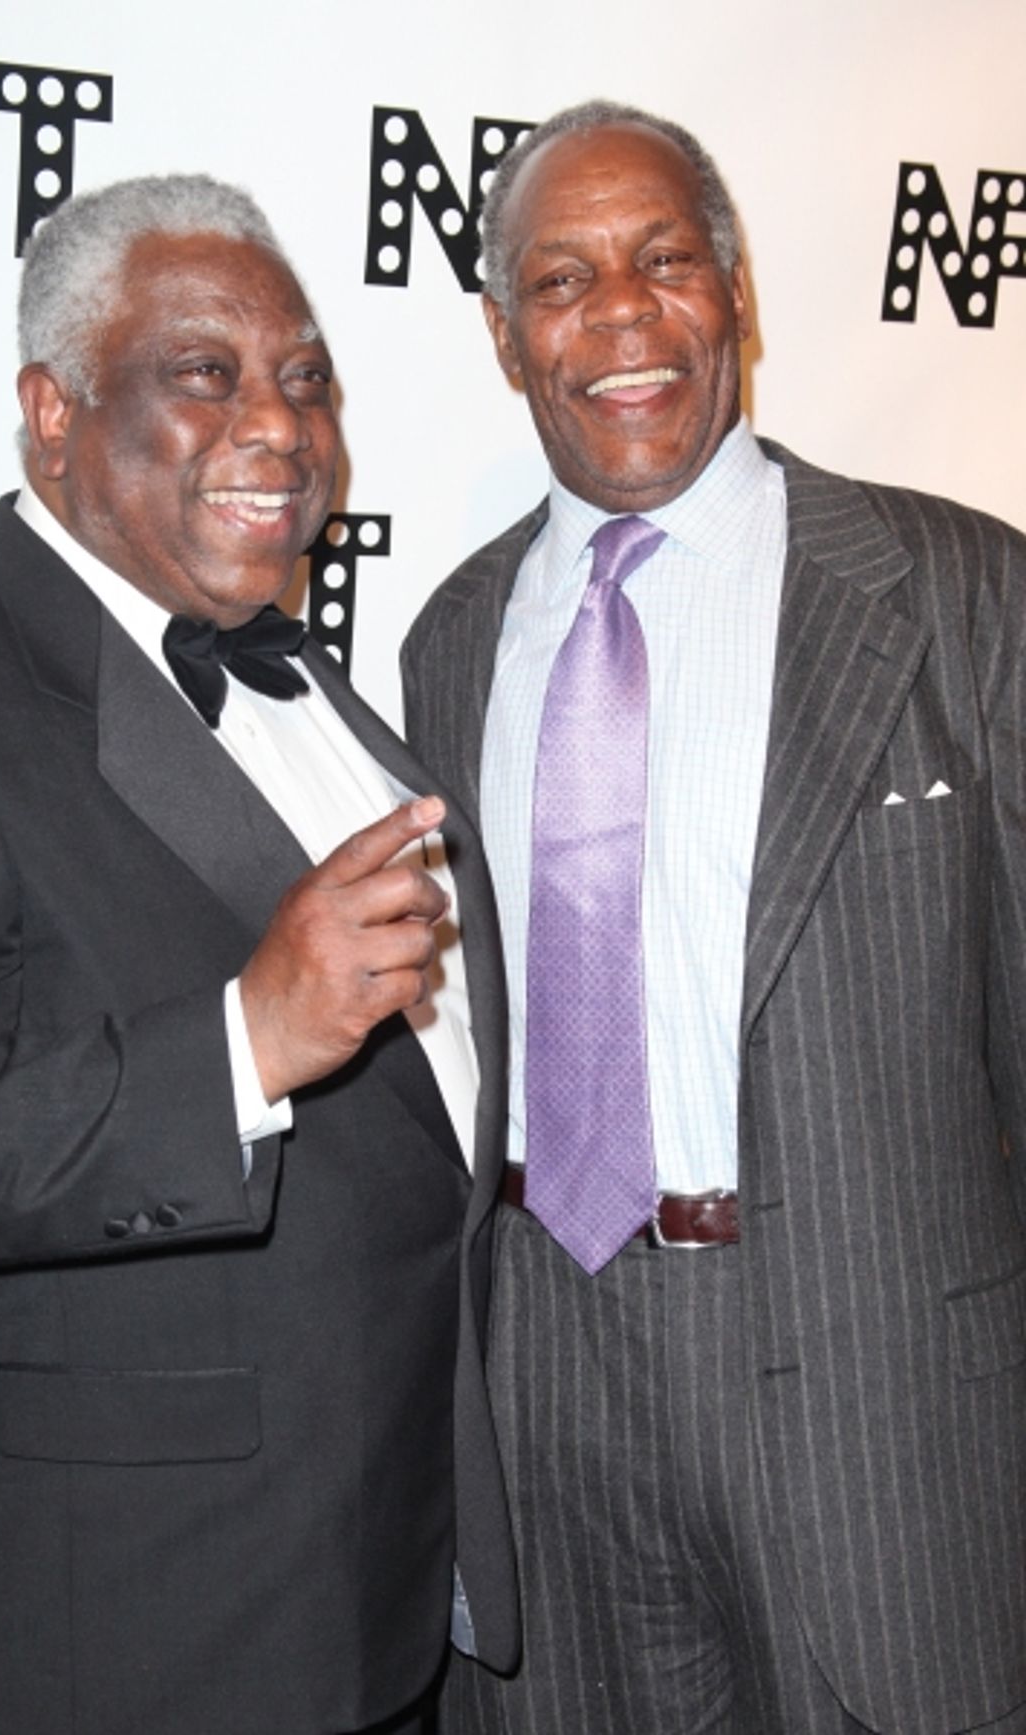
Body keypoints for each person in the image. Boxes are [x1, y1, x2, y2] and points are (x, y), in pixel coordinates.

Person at [0, 173, 517, 1735]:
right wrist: (243, 1043)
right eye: (205, 373)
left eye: (304, 380)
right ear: (50, 412)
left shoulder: (335, 703)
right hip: (103, 1639)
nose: (277, 425)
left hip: (369, 1607)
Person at [402, 101, 1026, 1735]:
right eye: (561, 279)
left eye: (665, 261)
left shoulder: (963, 593)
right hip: (551, 1368)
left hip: (876, 1377)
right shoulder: (449, 640)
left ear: (734, 293)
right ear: (501, 335)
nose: (619, 315)